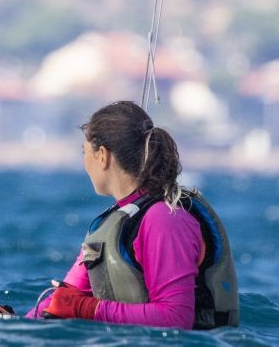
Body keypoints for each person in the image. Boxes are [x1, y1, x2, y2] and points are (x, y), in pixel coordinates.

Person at [28, 100, 239, 329]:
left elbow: (176, 319)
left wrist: (88, 309)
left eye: (84, 152)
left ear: (102, 155)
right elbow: (64, 299)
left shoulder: (165, 219)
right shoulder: (115, 223)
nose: (84, 161)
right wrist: (14, 325)